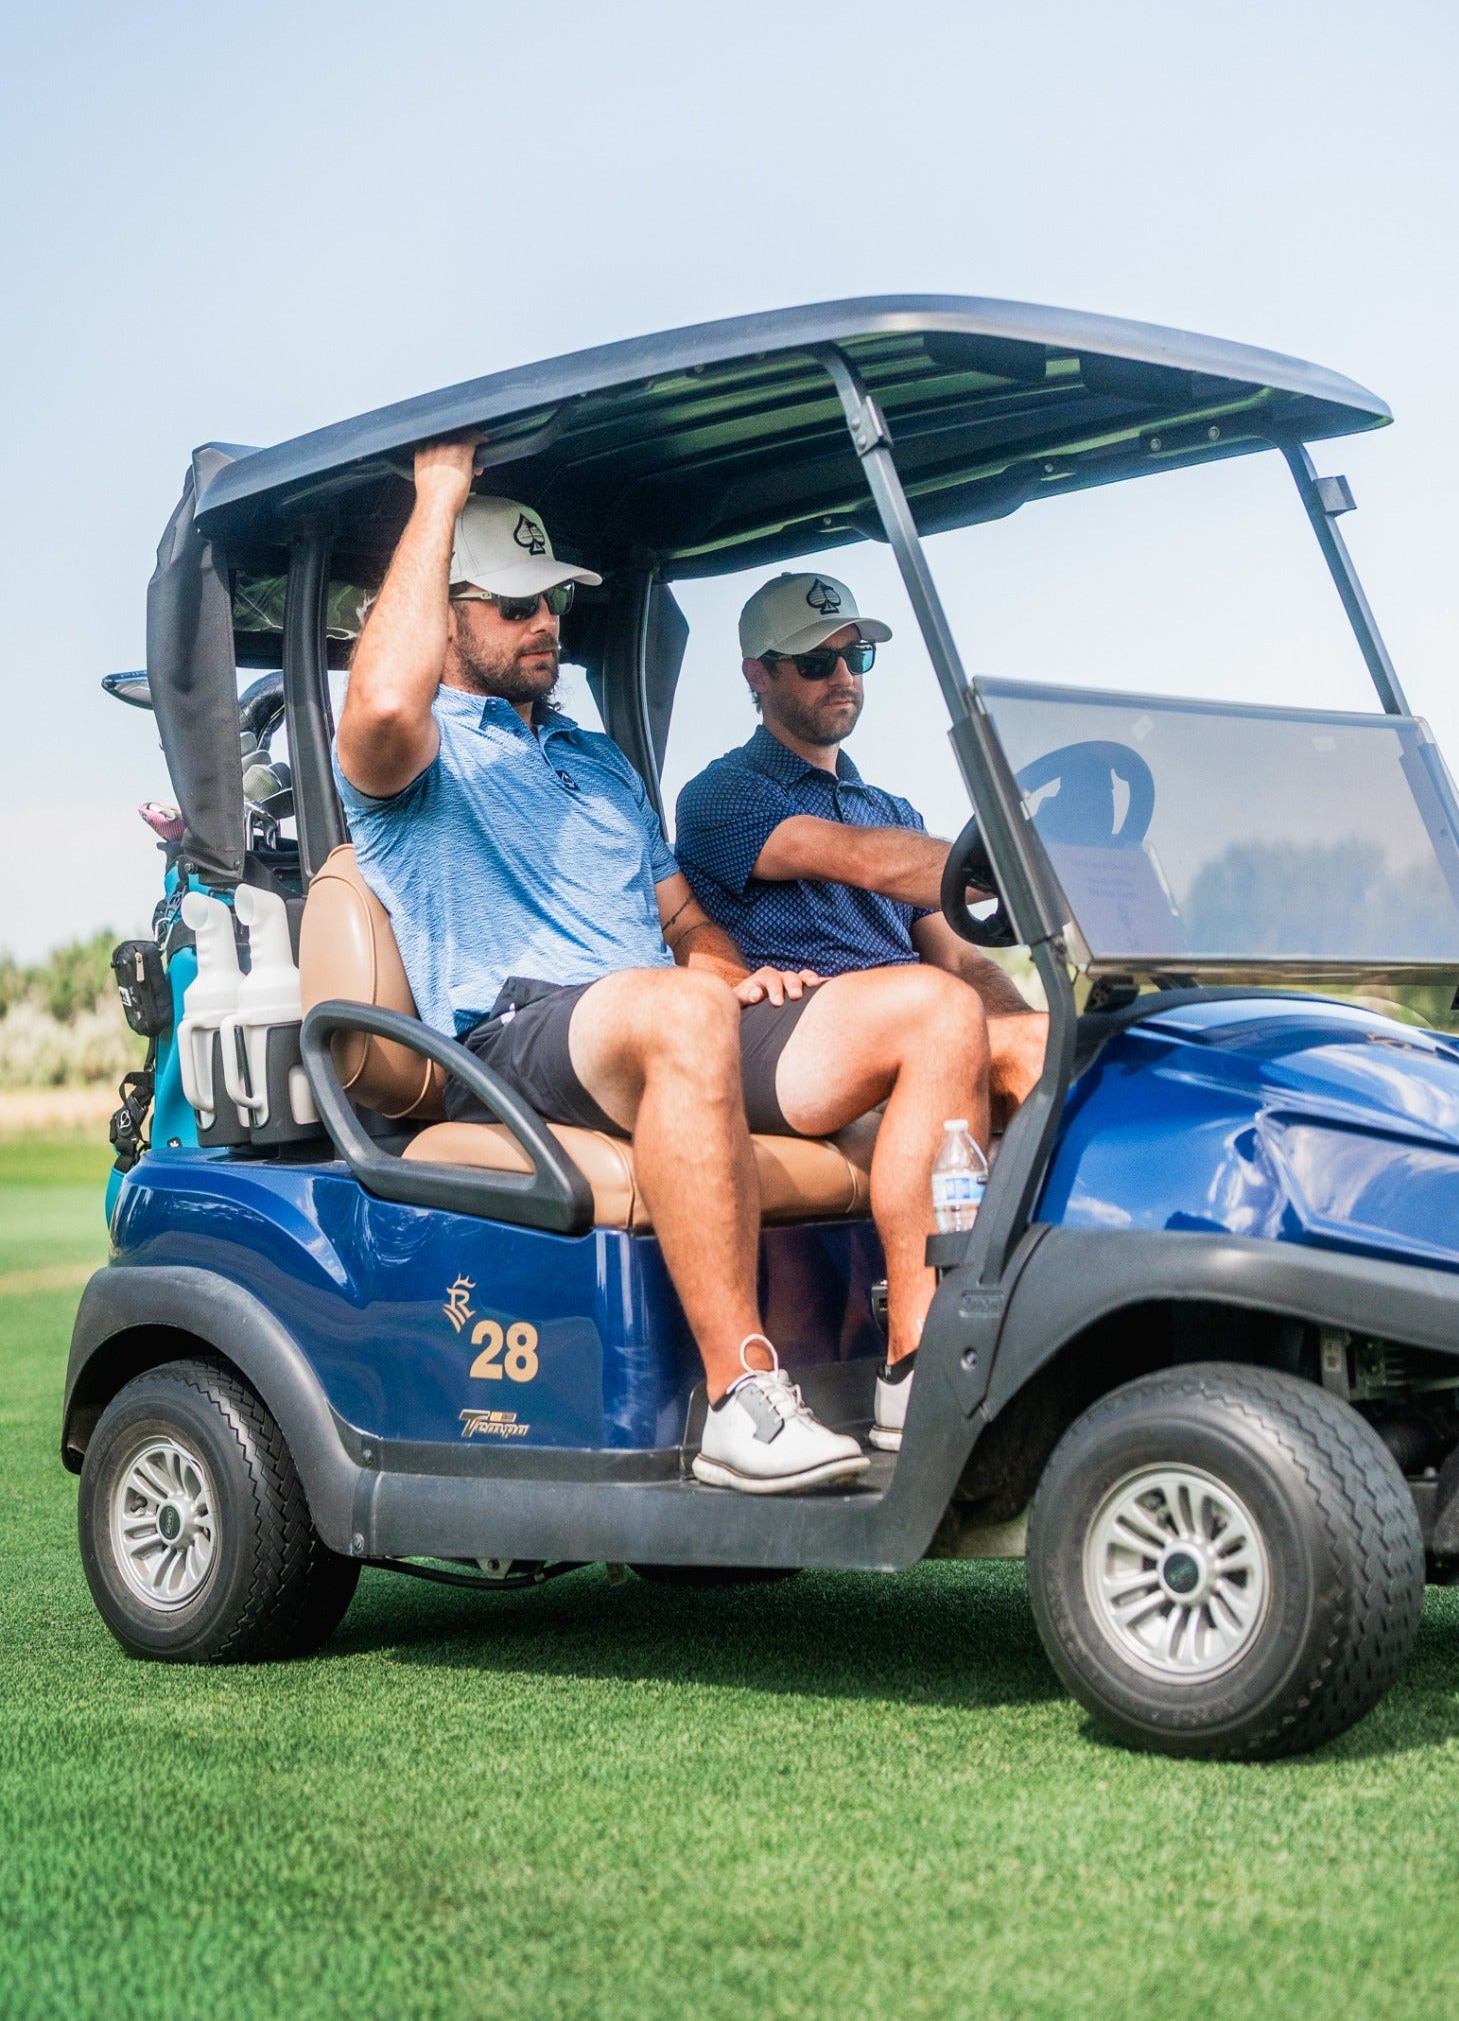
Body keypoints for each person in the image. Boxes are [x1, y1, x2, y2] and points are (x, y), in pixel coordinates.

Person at [334, 444, 990, 1487]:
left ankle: (919, 1373)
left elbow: (684, 919)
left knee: (937, 1009)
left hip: (659, 1015)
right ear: (445, 614)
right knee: (681, 1013)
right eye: (512, 606)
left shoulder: (596, 760)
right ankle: (742, 1398)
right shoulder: (413, 757)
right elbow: (375, 708)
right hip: (522, 1028)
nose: (546, 620)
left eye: (552, 600)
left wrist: (728, 970)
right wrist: (440, 491)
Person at [672, 567, 1049, 1148]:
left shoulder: (893, 812)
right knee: (1000, 1037)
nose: (844, 677)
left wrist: (1021, 1023)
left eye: (857, 656)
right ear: (759, 674)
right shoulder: (722, 794)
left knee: (1062, 1038)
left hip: (926, 1017)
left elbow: (962, 964)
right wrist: (1036, 865)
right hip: (807, 1029)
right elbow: (864, 861)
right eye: (817, 663)